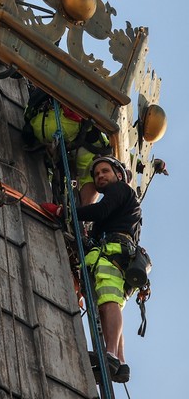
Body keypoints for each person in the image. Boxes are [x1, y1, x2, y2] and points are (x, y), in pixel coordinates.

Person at [74, 155, 143, 383]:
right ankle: (120, 362)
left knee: (109, 302)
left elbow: (100, 211)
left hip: (113, 252)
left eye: (105, 171)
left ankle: (111, 354)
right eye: (96, 174)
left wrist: (68, 212)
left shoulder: (120, 190)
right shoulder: (122, 207)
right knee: (108, 304)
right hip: (117, 255)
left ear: (119, 175)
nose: (100, 176)